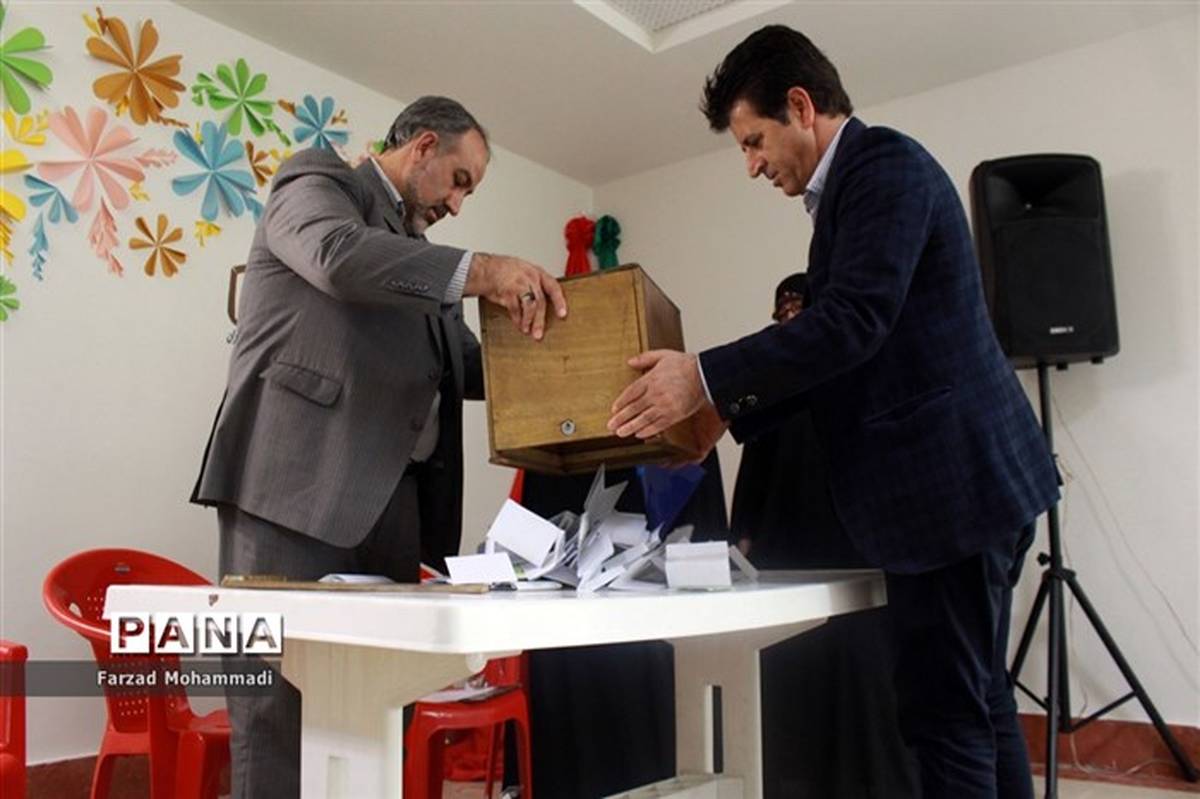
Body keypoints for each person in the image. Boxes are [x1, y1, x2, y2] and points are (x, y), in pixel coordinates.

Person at [608, 26, 1059, 798]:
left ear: (800, 105)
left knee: (945, 716)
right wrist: (720, 417)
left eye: (753, 140)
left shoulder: (883, 166)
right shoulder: (857, 191)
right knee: (979, 699)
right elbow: (841, 355)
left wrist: (704, 377)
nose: (752, 165)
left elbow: (852, 323)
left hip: (952, 491)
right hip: (971, 489)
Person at [190, 96, 566, 798]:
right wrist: (486, 271)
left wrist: (577, 374)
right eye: (458, 179)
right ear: (421, 146)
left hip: (394, 512)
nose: (458, 203)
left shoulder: (425, 263)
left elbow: (469, 366)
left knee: (380, 713)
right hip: (290, 493)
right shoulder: (318, 183)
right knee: (277, 720)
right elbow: (339, 259)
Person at [731, 272, 919, 797]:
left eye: (799, 309)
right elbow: (754, 470)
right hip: (784, 552)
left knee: (862, 674)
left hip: (852, 548)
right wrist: (742, 536)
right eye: (781, 313)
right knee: (792, 672)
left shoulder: (855, 365)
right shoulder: (771, 379)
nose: (789, 320)